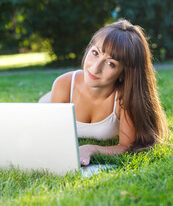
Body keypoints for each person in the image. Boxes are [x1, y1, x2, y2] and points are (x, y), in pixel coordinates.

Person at [38, 20, 169, 166]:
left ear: (123, 73)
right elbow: (54, 137)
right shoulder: (64, 84)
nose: (95, 68)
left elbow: (126, 146)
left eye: (110, 63)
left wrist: (91, 149)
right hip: (49, 102)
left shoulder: (124, 98)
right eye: (95, 53)